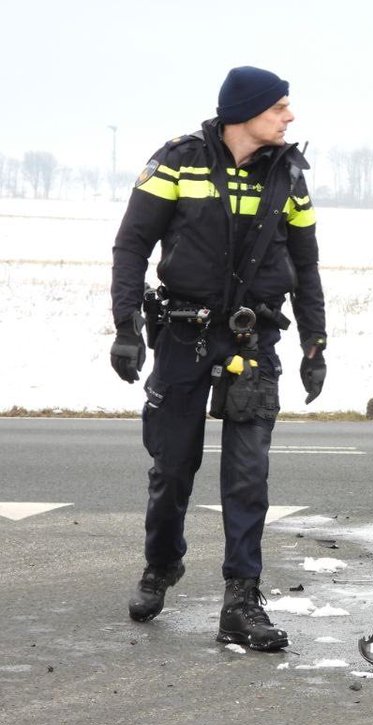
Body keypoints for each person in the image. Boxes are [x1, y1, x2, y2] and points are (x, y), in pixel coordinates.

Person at [109, 65, 327, 651]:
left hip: (254, 342)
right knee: (173, 466)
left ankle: (242, 600)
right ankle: (161, 566)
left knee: (248, 475)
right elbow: (132, 244)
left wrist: (315, 343)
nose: (290, 116)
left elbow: (305, 266)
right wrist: (126, 325)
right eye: (280, 106)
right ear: (246, 112)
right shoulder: (178, 162)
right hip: (184, 336)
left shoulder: (291, 177)